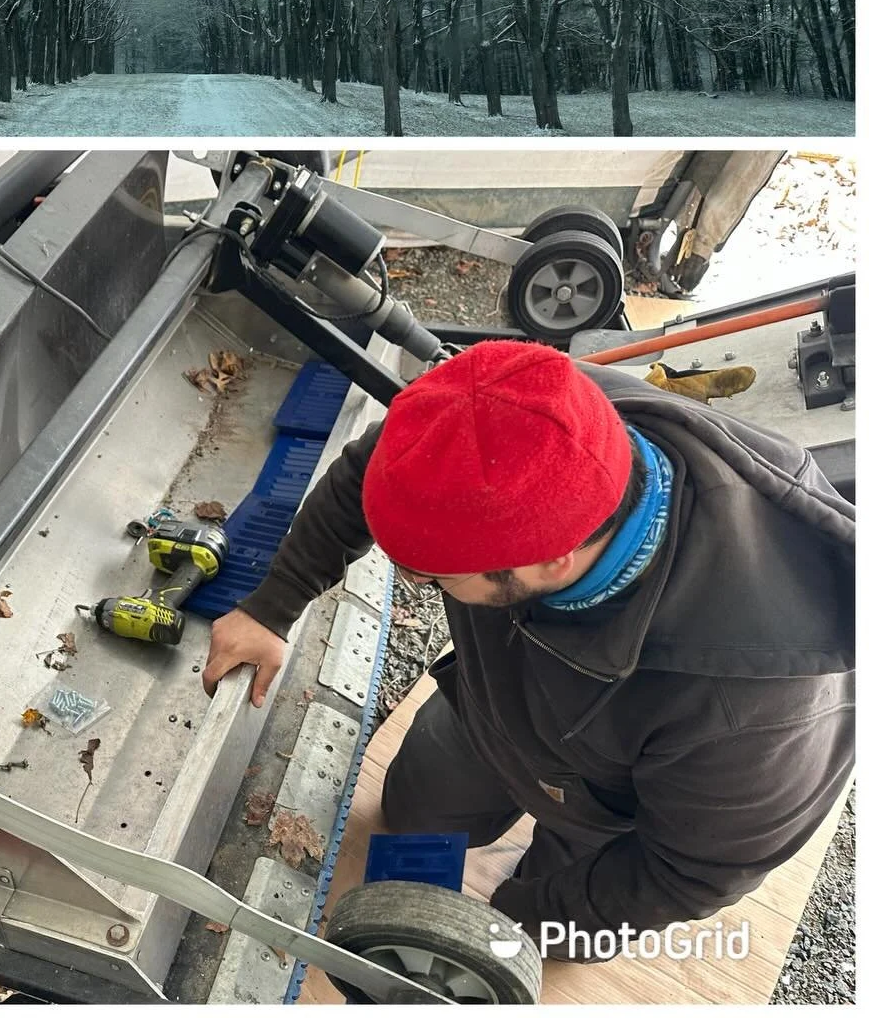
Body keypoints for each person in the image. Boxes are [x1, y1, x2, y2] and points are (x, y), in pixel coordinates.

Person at [202, 340, 854, 959]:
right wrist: (272, 606)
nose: (416, 580)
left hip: (608, 807)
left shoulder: (757, 709)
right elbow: (367, 480)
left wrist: (505, 927)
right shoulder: (530, 415)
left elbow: (683, 874)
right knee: (409, 812)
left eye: (436, 573)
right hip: (490, 713)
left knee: (552, 928)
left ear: (550, 559)